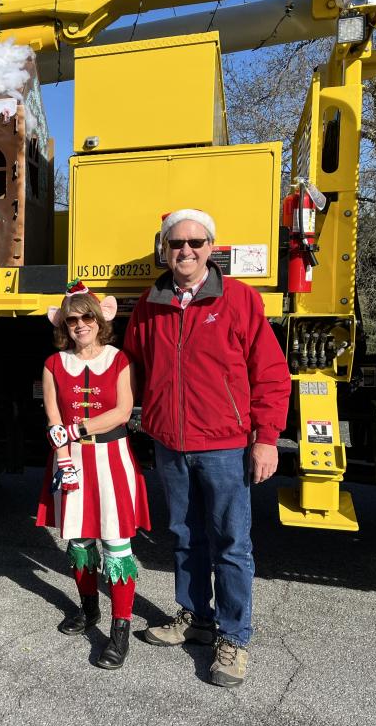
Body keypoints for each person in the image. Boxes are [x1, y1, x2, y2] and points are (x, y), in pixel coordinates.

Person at [123, 208, 290, 687]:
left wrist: (266, 439)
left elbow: (271, 375)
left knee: (231, 544)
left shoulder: (239, 299)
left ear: (211, 248)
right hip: (171, 444)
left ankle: (234, 638)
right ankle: (195, 618)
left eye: (196, 242)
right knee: (184, 535)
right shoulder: (151, 303)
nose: (187, 251)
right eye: (177, 244)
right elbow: (132, 367)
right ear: (164, 249)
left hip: (224, 446)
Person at [36, 282, 151, 669]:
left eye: (87, 316)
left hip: (112, 458)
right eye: (72, 319)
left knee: (117, 546)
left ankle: (120, 630)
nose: (80, 324)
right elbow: (52, 415)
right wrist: (63, 452)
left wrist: (77, 429)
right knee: (80, 541)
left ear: (100, 318)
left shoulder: (120, 360)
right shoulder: (54, 364)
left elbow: (122, 412)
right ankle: (89, 611)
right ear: (64, 325)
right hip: (70, 459)